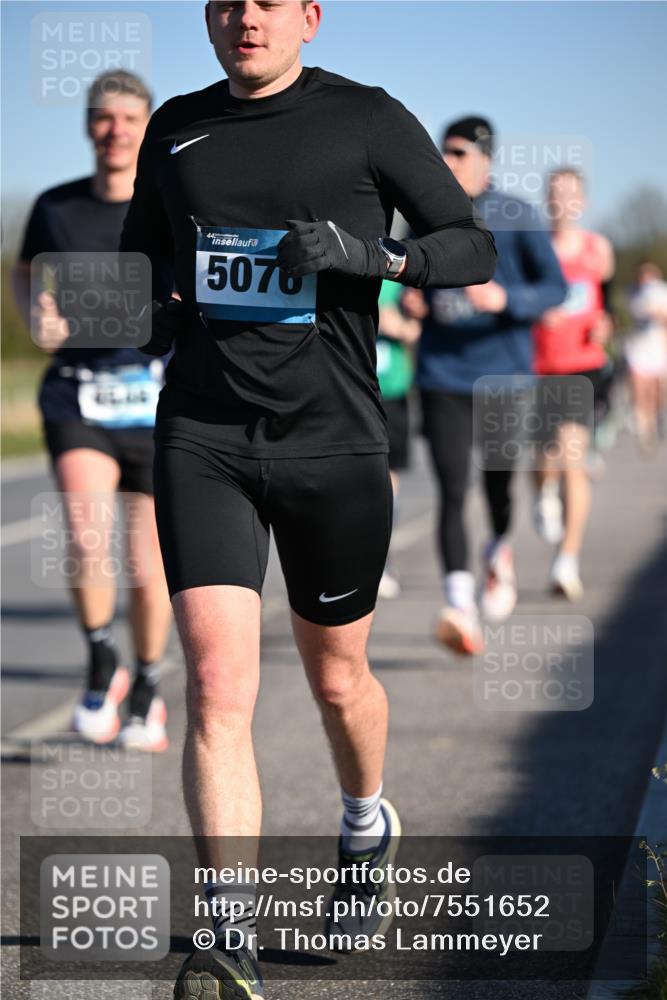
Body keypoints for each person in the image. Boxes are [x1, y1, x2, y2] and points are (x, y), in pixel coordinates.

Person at [119, 2, 496, 996]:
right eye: (228, 1)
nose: (247, 17)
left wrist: (372, 255)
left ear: (309, 19)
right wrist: (137, 305)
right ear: (207, 17)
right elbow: (145, 263)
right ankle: (228, 934)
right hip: (202, 434)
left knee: (338, 681)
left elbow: (470, 245)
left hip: (332, 440)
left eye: (269, 2)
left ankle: (365, 818)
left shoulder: (365, 118)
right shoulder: (176, 126)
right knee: (219, 686)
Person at [11, 71, 172, 751]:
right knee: (84, 533)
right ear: (88, 126)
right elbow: (26, 276)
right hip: (78, 391)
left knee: (146, 563)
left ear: (147, 125)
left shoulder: (170, 204)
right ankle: (100, 655)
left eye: (130, 118)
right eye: (104, 118)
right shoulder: (55, 207)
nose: (116, 131)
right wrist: (34, 318)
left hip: (158, 399)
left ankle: (147, 680)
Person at [404, 116, 566, 656]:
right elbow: (405, 271)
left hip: (503, 376)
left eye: (458, 153)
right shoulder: (424, 216)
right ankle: (458, 605)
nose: (447, 163)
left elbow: (555, 288)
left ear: (485, 159)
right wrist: (412, 297)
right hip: (442, 373)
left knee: (498, 485)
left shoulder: (517, 216)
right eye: (442, 153)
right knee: (453, 489)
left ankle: (499, 551)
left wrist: (507, 301)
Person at [532, 168, 615, 599]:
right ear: (547, 199)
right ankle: (542, 489)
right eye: (555, 193)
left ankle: (566, 561)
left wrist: (606, 324)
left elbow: (608, 301)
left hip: (584, 366)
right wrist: (537, 312)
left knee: (573, 456)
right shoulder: (535, 248)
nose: (563, 200)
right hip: (538, 367)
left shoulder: (598, 249)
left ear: (582, 200)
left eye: (571, 193)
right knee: (543, 459)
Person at [376, 279, 421, 599]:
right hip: (351, 391)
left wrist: (398, 326)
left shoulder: (397, 282)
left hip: (392, 391)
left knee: (387, 484)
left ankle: (381, 561)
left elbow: (417, 329)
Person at [624, 262, 667, 455]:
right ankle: (645, 434)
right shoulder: (632, 295)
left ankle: (657, 422)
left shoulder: (662, 292)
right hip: (638, 350)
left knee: (657, 394)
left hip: (658, 349)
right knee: (640, 393)